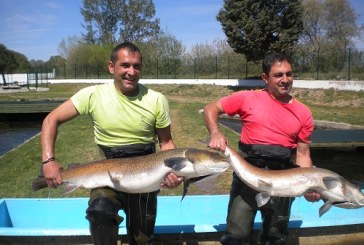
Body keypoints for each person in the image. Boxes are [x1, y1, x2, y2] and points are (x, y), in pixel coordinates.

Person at [40, 42, 183, 245]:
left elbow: (166, 142)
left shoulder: (156, 100)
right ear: (111, 67)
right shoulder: (92, 95)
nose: (131, 72)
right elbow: (50, 120)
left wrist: (173, 172)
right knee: (99, 212)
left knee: (142, 240)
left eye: (137, 66)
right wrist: (48, 160)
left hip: (145, 178)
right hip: (106, 177)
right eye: (125, 65)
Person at [204, 53, 321, 245]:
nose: (285, 80)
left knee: (276, 238)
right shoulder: (246, 98)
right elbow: (211, 108)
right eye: (278, 75)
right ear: (265, 78)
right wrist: (216, 133)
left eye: (289, 74)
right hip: (248, 177)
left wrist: (311, 184)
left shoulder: (304, 112)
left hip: (284, 179)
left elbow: (302, 154)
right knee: (236, 237)